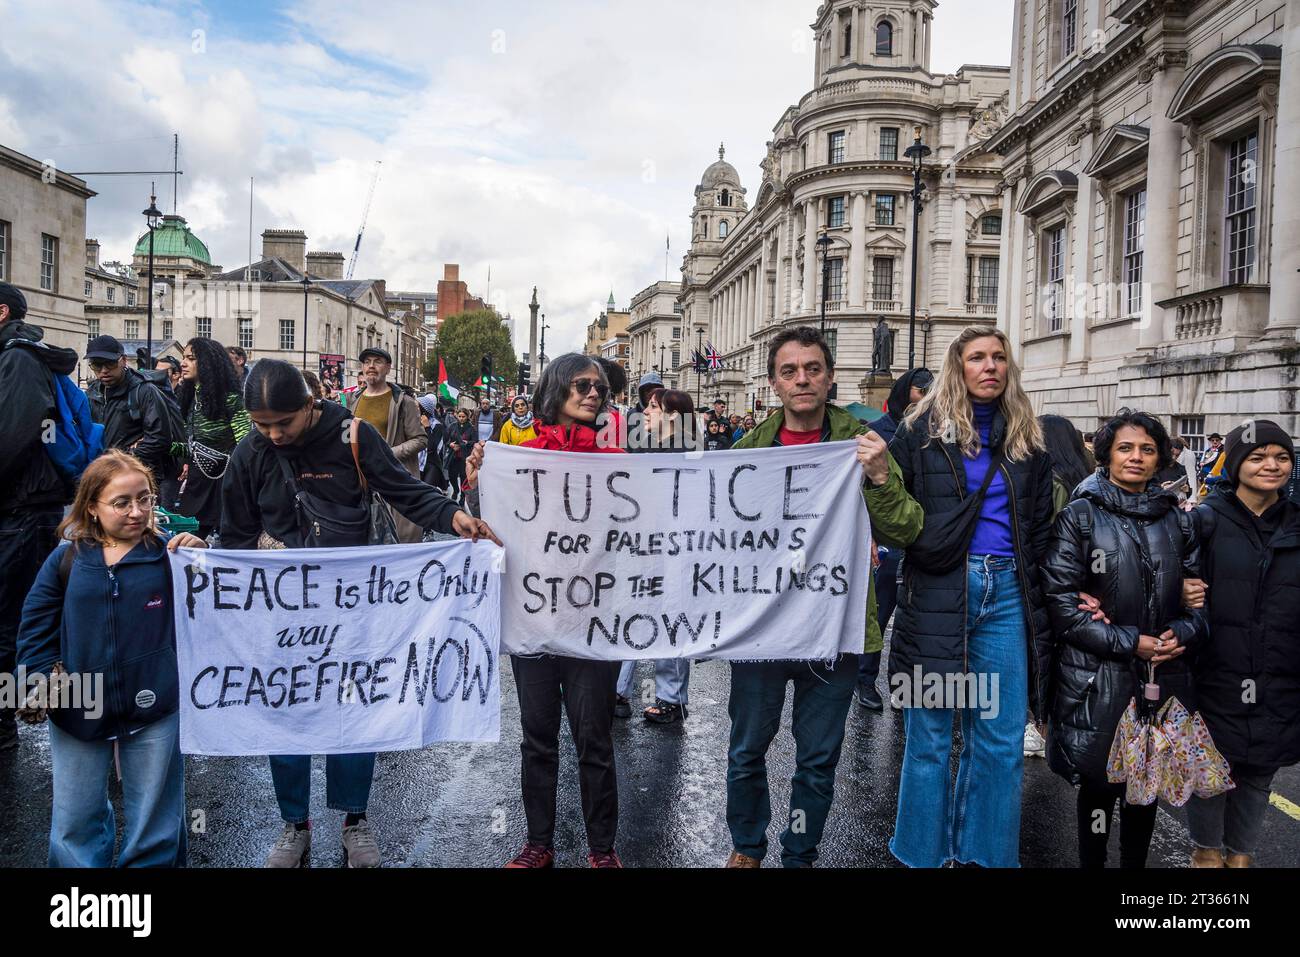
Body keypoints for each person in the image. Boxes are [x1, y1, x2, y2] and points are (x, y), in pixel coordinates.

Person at [220, 360, 497, 868]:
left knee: (354, 704)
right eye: (263, 425)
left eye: (284, 422)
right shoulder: (250, 451)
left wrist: (453, 515)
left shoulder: (354, 436)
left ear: (310, 404)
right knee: (289, 710)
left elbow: (404, 490)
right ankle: (294, 825)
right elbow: (234, 534)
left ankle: (355, 819)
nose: (274, 434)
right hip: (284, 610)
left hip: (354, 603)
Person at [725, 326, 922, 868]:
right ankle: (746, 846)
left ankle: (800, 850)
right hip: (762, 633)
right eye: (789, 371)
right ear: (773, 383)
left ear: (830, 377)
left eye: (812, 369)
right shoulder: (747, 451)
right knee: (746, 752)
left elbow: (906, 530)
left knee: (816, 759)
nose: (802, 380)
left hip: (834, 631)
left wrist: (880, 479)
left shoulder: (864, 446)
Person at [887, 325, 1054, 869]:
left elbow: (1042, 532)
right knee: (930, 738)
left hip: (1007, 593)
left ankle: (984, 858)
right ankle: (921, 857)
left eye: (999, 358)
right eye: (977, 358)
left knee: (1001, 741)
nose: (990, 367)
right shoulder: (920, 433)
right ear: (956, 368)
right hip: (939, 592)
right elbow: (892, 512)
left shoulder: (1028, 441)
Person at [16, 450, 207, 865]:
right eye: (122, 502)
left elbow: (211, 615)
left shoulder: (171, 558)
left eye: (145, 498)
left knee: (155, 824)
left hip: (155, 702)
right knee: (75, 821)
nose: (137, 511)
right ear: (92, 507)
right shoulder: (67, 559)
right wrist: (34, 679)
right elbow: (35, 624)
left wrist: (203, 560)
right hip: (77, 705)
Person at [1042, 410, 1206, 868]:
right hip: (1098, 679)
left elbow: (1199, 600)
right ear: (1106, 454)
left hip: (1163, 678)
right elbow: (1062, 605)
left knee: (1144, 791)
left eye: (1147, 449)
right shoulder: (1080, 515)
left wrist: (1185, 633)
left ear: (1161, 460)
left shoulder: (1177, 520)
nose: (1136, 457)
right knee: (1100, 790)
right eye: (1125, 448)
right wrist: (1129, 641)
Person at [481, 354, 626, 869]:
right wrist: (483, 478)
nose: (593, 394)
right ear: (555, 388)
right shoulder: (521, 459)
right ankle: (538, 843)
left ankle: (602, 849)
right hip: (535, 620)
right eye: (582, 385)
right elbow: (499, 533)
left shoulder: (619, 461)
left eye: (600, 388)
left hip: (593, 623)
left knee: (594, 739)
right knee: (537, 738)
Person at [1182, 421, 1298, 868]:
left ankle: (1242, 858)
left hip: (1279, 670)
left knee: (1258, 771)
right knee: (1210, 768)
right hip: (1216, 667)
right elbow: (1176, 579)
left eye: (1281, 457)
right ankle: (1206, 853)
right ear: (1235, 464)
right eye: (1257, 456)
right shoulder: (1204, 520)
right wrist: (1183, 591)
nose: (1271, 465)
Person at [0, 282, 79, 752]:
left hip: (24, 509)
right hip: (18, 507)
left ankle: (4, 721)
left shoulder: (18, 359)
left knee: (9, 617)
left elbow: (14, 434)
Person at [615, 388, 697, 725]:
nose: (645, 412)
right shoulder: (634, 448)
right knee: (628, 613)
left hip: (675, 550)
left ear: (674, 417)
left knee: (670, 617)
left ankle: (670, 698)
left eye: (652, 407)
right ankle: (618, 691)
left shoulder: (693, 457)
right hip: (637, 545)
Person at [859, 367, 933, 710]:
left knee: (917, 620)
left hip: (920, 535)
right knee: (879, 610)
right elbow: (860, 492)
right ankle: (865, 679)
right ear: (906, 393)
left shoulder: (934, 432)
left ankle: (905, 687)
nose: (926, 397)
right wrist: (869, 535)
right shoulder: (877, 432)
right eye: (920, 390)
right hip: (886, 542)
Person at [175, 338, 250, 541]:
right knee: (186, 539)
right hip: (196, 482)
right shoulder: (187, 396)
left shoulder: (232, 399)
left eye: (191, 358)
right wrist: (177, 456)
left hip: (224, 484)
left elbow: (245, 445)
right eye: (183, 357)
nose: (183, 363)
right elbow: (186, 440)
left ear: (208, 363)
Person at [351, 347, 427, 544]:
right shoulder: (353, 400)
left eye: (377, 361)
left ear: (388, 368)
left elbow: (420, 439)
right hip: (362, 483)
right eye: (367, 362)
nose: (371, 366)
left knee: (398, 542)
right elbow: (346, 438)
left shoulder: (403, 402)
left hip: (393, 480)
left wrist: (387, 454)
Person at [85, 335, 176, 481]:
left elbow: (160, 439)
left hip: (136, 477)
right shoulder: (92, 392)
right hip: (101, 475)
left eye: (110, 364)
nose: (103, 370)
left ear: (124, 360)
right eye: (96, 365)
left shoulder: (145, 390)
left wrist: (123, 458)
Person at [416, 395, 449, 494]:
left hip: (431, 464)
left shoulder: (437, 425)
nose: (414, 408)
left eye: (417, 407)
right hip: (416, 464)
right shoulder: (413, 423)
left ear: (424, 411)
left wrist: (427, 428)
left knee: (426, 494)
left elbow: (431, 448)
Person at [447, 408, 476, 505]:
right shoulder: (452, 426)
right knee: (452, 476)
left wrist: (467, 443)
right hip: (453, 456)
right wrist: (450, 445)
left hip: (465, 457)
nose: (461, 418)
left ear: (467, 417)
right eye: (459, 416)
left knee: (464, 478)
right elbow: (446, 439)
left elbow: (475, 441)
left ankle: (463, 497)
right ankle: (456, 490)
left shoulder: (471, 428)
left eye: (463, 416)